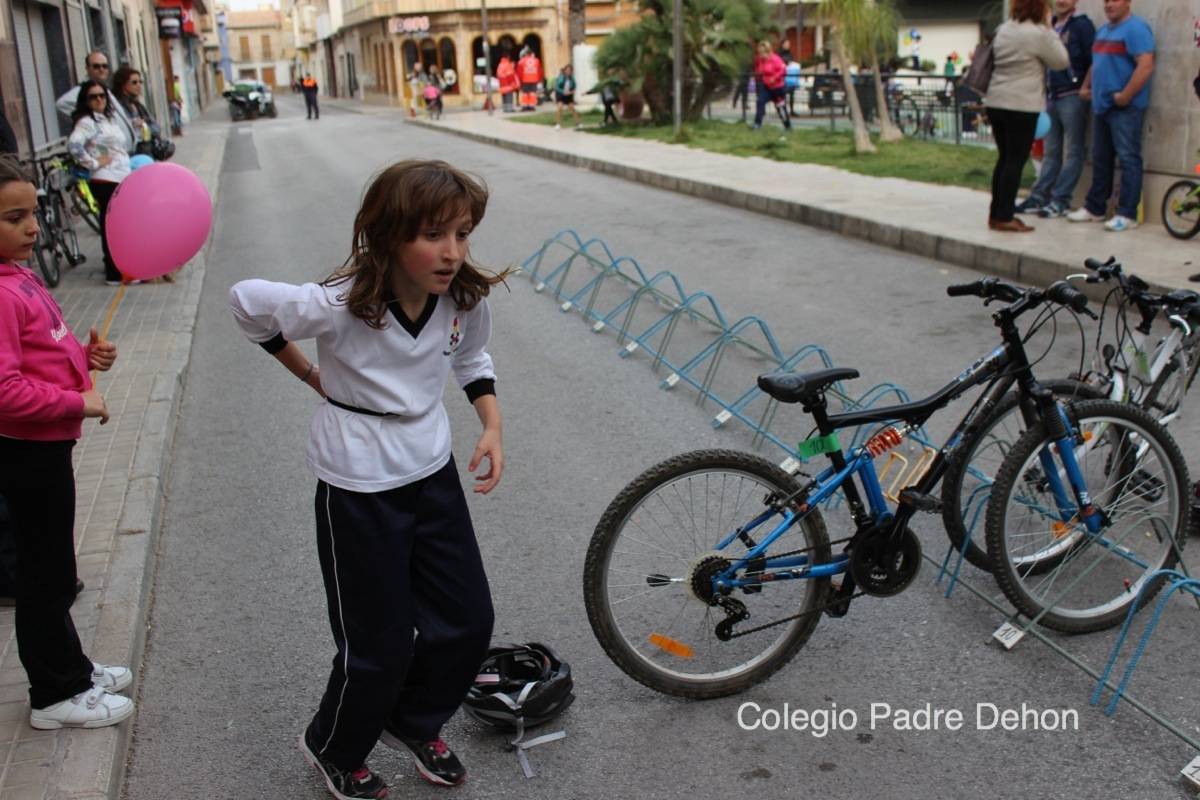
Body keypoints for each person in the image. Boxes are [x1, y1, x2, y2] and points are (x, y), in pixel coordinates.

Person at [229, 160, 507, 800]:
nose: (452, 251)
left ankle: (412, 720)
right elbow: (245, 302)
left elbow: (471, 358)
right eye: (433, 235)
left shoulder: (462, 297)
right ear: (389, 235)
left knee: (468, 621)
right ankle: (333, 745)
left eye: (462, 233)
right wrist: (307, 373)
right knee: (378, 644)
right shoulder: (337, 304)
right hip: (356, 485)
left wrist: (491, 425)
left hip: (431, 470)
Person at [0, 154, 133, 730]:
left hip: (45, 447)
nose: (33, 227)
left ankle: (70, 666)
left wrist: (83, 357)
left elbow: (39, 351)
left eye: (33, 213)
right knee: (44, 574)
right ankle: (55, 693)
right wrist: (78, 401)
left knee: (54, 566)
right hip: (25, 452)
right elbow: (4, 389)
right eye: (14, 218)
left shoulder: (18, 274)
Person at [1066, 0, 1155, 232]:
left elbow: (1145, 65)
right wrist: (1086, 86)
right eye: (1106, 1)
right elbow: (1097, 63)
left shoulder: (1136, 29)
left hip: (1126, 108)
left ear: (1127, 2)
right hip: (1102, 105)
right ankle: (1095, 208)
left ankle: (1127, 213)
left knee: (1128, 158)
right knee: (1101, 158)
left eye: (1114, 0)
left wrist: (1125, 96)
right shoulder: (1104, 31)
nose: (1109, 5)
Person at [982, 0, 1069, 232]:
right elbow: (1061, 61)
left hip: (996, 102)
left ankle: (996, 214)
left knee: (1004, 159)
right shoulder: (1038, 34)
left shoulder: (1003, 29)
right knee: (1016, 160)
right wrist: (1050, 29)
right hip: (1021, 105)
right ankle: (1005, 216)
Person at [1015, 0, 1095, 218]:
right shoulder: (1048, 25)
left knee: (1073, 151)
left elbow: (1093, 60)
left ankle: (1060, 200)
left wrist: (1085, 86)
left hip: (1073, 95)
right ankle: (1039, 197)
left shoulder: (1082, 25)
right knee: (1051, 151)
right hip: (1051, 95)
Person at [68, 79, 133, 285]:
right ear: (85, 101)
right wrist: (94, 163)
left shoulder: (107, 119)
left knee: (121, 226)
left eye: (102, 95)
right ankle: (114, 272)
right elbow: (74, 145)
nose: (98, 100)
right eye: (93, 97)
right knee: (112, 227)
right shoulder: (87, 122)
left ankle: (123, 267)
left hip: (120, 177)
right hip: (105, 179)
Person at [55, 51, 134, 150]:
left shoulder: (105, 89)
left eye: (104, 66)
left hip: (124, 152)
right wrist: (86, 115)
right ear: (87, 69)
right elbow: (61, 104)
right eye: (96, 66)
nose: (101, 69)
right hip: (109, 154)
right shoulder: (83, 90)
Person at [751, 40, 791, 131]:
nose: (760, 55)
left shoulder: (775, 59)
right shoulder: (761, 60)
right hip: (767, 87)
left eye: (762, 53)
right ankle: (757, 124)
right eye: (759, 53)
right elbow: (760, 70)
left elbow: (783, 70)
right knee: (760, 101)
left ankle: (787, 126)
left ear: (768, 51)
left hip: (778, 88)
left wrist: (774, 78)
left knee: (780, 107)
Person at [553, 64, 582, 130]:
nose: (568, 71)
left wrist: (572, 91)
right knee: (560, 108)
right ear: (565, 70)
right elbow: (556, 87)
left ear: (571, 71)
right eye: (567, 70)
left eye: (570, 70)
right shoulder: (561, 77)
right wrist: (563, 91)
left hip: (569, 95)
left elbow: (574, 86)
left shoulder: (572, 78)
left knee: (572, 108)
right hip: (560, 94)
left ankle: (578, 123)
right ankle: (557, 124)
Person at [517, 47, 543, 111]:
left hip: (525, 80)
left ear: (525, 54)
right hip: (534, 79)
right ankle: (532, 106)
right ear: (531, 53)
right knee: (532, 93)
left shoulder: (521, 61)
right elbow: (539, 70)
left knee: (525, 94)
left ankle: (525, 107)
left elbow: (519, 72)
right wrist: (539, 79)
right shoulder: (536, 60)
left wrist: (520, 80)